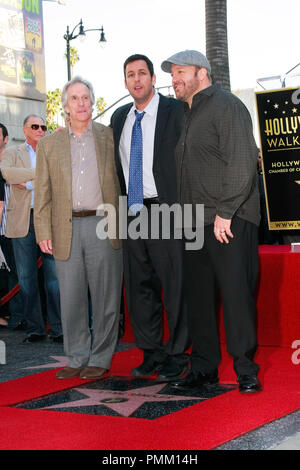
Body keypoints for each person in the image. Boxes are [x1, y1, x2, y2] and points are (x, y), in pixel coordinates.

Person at [161, 50, 262, 393]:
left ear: (201, 73)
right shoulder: (186, 113)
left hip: (228, 219)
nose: (174, 78)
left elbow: (243, 162)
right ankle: (204, 369)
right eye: (172, 73)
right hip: (194, 222)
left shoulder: (227, 105)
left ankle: (246, 370)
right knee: (199, 299)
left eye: (180, 72)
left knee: (236, 295)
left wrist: (225, 212)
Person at [34, 76, 123, 380]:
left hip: (104, 224)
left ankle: (100, 357)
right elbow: (42, 192)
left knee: (105, 297)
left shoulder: (109, 136)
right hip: (65, 228)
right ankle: (76, 357)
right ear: (65, 106)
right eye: (75, 98)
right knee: (70, 297)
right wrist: (43, 230)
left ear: (92, 102)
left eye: (86, 97)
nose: (81, 103)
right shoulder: (49, 145)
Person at [110, 54, 189, 381]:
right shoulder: (119, 118)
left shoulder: (176, 111)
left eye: (142, 73)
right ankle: (151, 352)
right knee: (139, 286)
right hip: (132, 211)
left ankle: (177, 353)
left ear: (154, 78)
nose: (137, 79)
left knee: (175, 284)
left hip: (167, 209)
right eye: (131, 74)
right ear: (126, 81)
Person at [0, 116, 62, 343]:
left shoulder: (52, 152)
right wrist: (40, 176)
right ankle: (35, 329)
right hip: (22, 220)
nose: (40, 130)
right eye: (35, 126)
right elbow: (7, 174)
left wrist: (25, 181)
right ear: (25, 130)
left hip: (48, 218)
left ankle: (58, 329)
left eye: (43, 127)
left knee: (54, 278)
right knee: (26, 279)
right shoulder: (13, 152)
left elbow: (58, 179)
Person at [0, 123, 25, 330]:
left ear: (6, 139)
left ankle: (19, 316)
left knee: (16, 272)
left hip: (13, 225)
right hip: (4, 228)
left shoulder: (14, 159)